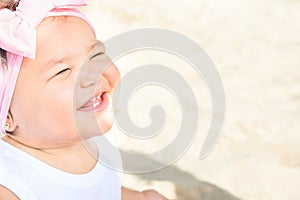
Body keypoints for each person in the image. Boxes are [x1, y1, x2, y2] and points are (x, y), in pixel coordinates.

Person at [0, 0, 168, 199]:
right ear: (7, 115)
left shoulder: (92, 140)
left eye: (95, 55)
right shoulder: (11, 186)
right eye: (62, 71)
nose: (93, 74)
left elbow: (103, 191)